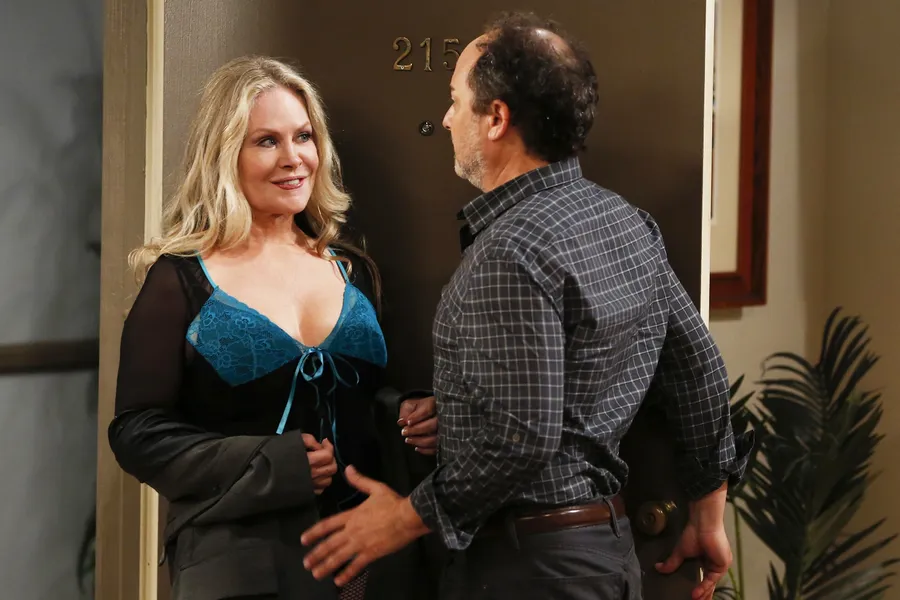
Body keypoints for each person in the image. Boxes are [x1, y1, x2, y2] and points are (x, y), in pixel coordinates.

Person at [299, 12, 752, 600]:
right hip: (606, 558)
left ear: (496, 118)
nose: (446, 119)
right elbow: (697, 371)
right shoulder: (626, 222)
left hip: (528, 569)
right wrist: (709, 517)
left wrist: (404, 518)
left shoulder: (511, 251)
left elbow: (523, 437)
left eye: (455, 100)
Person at [107, 55, 438, 600]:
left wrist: (406, 412)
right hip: (239, 562)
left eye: (303, 136)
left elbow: (363, 398)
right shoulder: (180, 278)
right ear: (224, 156)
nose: (294, 158)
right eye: (267, 141)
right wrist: (272, 464)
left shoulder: (351, 269)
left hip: (365, 563)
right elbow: (137, 432)